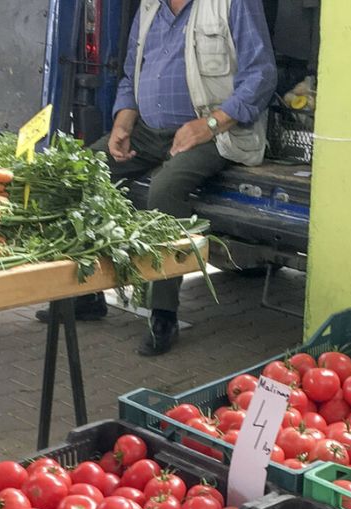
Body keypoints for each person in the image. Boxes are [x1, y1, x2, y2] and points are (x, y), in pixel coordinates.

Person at [44, 0, 276, 356]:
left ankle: (163, 311)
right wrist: (123, 123)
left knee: (164, 190)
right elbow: (129, 75)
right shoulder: (150, 7)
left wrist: (208, 124)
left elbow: (260, 77)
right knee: (84, 171)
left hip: (216, 132)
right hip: (149, 131)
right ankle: (87, 291)